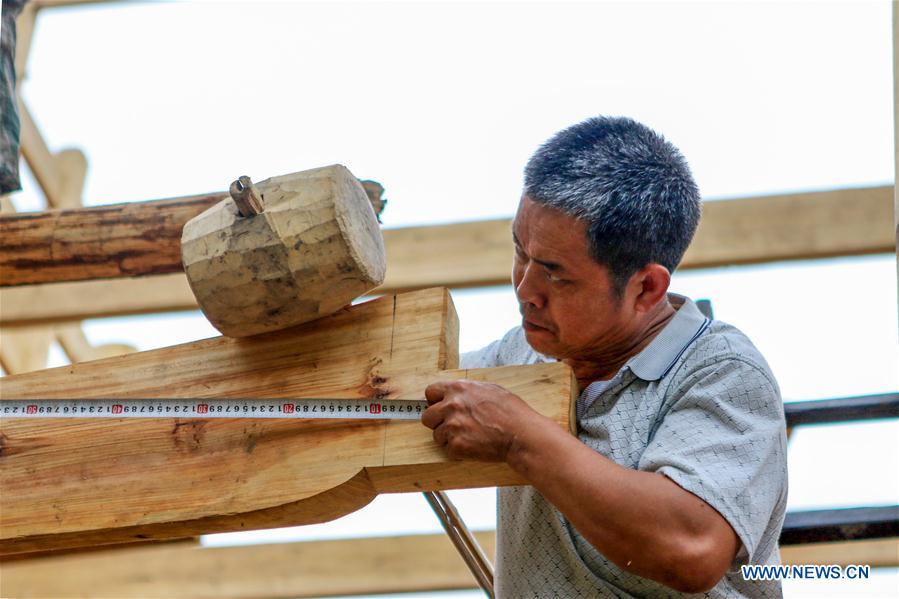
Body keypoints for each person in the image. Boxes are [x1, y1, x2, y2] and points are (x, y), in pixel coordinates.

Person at [421, 116, 788, 597]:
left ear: (646, 288)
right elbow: (391, 395)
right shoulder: (522, 354)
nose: (525, 289)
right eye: (519, 251)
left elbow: (691, 546)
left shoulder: (721, 373)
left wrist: (519, 437)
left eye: (556, 274)